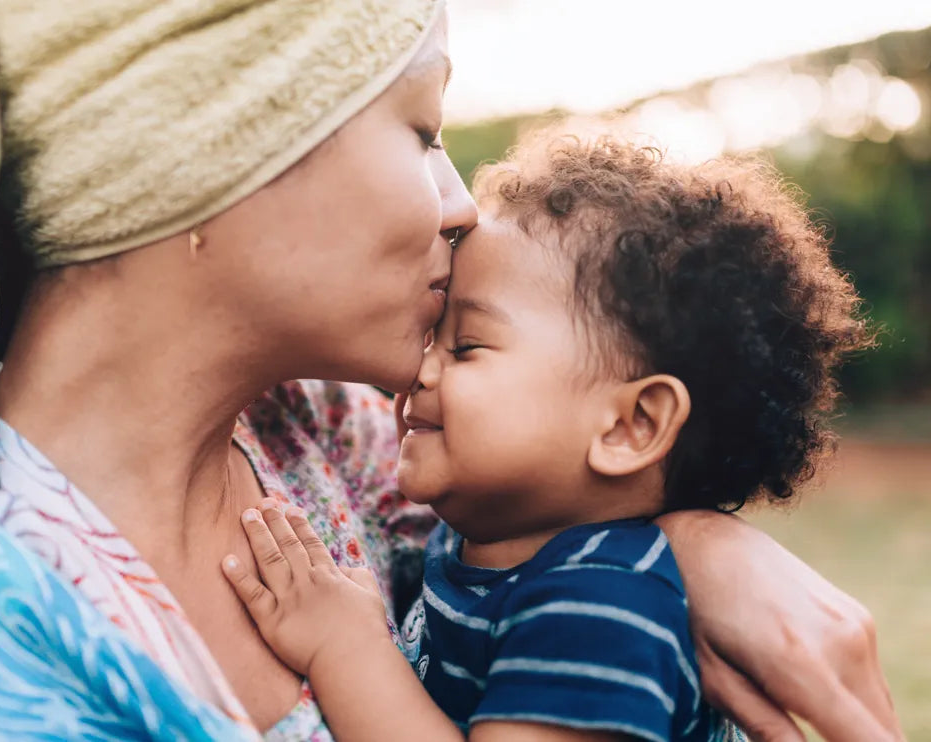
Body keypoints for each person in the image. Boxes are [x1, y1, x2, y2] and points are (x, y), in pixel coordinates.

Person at [0, 1, 900, 740]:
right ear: (214, 147)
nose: (458, 208)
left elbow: (561, 496)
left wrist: (693, 540)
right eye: (422, 132)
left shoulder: (323, 438)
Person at [220, 133, 876, 742]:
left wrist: (347, 648)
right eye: (432, 339)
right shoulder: (479, 543)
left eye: (467, 346)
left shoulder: (602, 604)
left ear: (629, 426)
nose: (418, 370)